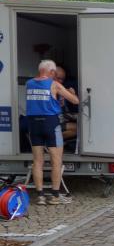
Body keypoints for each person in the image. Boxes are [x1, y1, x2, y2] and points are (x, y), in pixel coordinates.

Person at [26, 59, 80, 205]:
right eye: (54, 72)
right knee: (56, 160)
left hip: (33, 125)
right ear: (51, 71)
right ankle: (55, 195)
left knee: (38, 161)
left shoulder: (29, 84)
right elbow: (75, 101)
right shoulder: (54, 84)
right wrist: (71, 93)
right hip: (50, 124)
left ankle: (40, 196)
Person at [53, 65, 78, 141]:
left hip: (59, 121)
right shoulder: (48, 89)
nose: (61, 81)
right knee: (81, 128)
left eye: (62, 79)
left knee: (80, 127)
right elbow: (76, 101)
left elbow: (63, 112)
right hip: (51, 123)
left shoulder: (60, 89)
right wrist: (72, 96)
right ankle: (51, 141)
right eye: (58, 78)